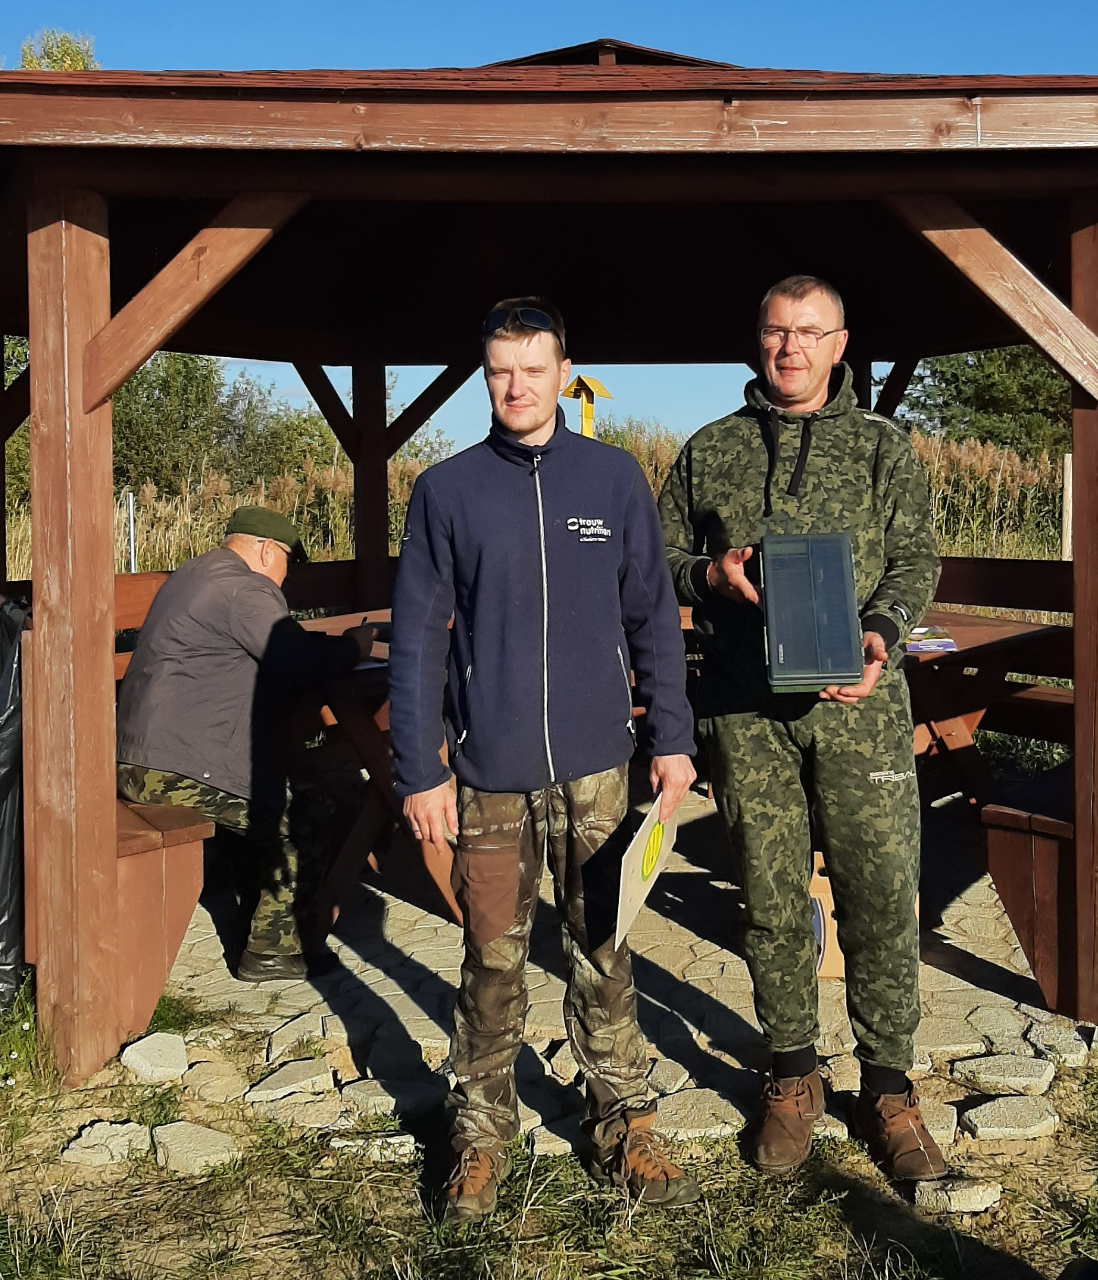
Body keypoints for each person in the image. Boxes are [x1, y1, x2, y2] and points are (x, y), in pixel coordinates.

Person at [391, 297, 701, 1220]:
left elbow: (654, 619)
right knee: (491, 962)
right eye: (500, 370)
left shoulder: (611, 482)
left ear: (566, 372)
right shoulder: (445, 492)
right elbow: (417, 644)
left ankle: (626, 1123)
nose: (517, 385)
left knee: (603, 952)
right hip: (487, 774)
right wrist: (419, 770)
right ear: (484, 378)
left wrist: (673, 740)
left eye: (534, 367)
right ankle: (479, 1139)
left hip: (601, 768)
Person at [656, 275, 946, 1182]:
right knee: (771, 897)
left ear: (840, 343)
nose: (790, 348)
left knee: (880, 892)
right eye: (777, 332)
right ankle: (790, 1076)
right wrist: (711, 575)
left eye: (809, 332)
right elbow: (656, 562)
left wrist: (884, 633)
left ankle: (889, 1087)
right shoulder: (711, 452)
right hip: (746, 713)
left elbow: (916, 557)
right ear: (758, 340)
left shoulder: (882, 448)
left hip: (861, 710)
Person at [116, 506, 373, 983]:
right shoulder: (245, 588)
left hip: (140, 755)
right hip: (174, 769)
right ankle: (271, 952)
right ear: (265, 549)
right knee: (307, 809)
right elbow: (296, 660)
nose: (288, 577)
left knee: (285, 785)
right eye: (288, 562)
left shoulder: (196, 572)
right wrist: (352, 647)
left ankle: (256, 910)